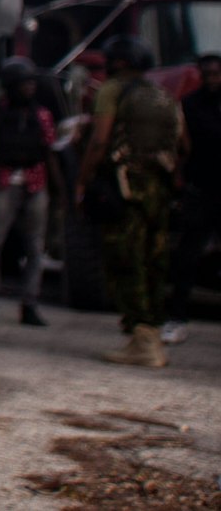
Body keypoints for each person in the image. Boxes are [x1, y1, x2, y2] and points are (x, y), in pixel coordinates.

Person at [74, 34, 187, 368]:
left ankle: (141, 339)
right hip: (161, 188)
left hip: (125, 188)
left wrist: (82, 182)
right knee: (155, 259)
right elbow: (185, 144)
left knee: (126, 258)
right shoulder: (163, 94)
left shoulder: (111, 90)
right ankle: (152, 332)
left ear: (117, 62)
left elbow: (99, 141)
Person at [0, 57, 64, 326]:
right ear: (11, 86)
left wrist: (59, 191)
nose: (30, 88)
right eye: (25, 83)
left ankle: (30, 304)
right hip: (3, 181)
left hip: (35, 183)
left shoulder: (42, 115)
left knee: (35, 247)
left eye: (32, 83)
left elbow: (49, 153)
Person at [164, 51, 221, 345]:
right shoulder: (190, 104)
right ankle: (176, 318)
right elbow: (181, 145)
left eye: (217, 74)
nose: (213, 80)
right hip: (200, 188)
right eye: (208, 74)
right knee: (188, 256)